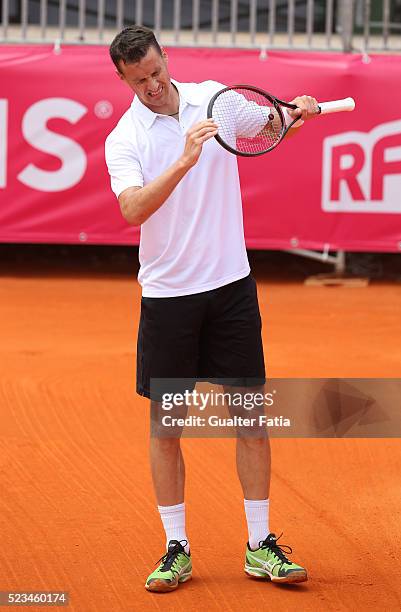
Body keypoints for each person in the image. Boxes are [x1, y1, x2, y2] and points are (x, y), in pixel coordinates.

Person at [105, 25, 318, 593]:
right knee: (168, 426)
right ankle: (176, 547)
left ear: (164, 58)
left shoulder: (214, 100)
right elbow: (132, 211)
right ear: (123, 80)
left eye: (156, 71)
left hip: (231, 288)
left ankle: (259, 545)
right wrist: (183, 160)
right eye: (140, 80)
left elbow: (271, 127)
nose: (153, 85)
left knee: (249, 418)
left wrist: (297, 113)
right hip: (169, 296)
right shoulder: (125, 136)